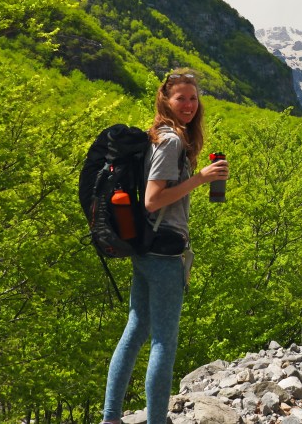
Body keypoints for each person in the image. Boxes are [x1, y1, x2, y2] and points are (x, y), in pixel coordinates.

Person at [101, 69, 229, 424]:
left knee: (136, 330)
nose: (188, 105)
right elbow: (153, 200)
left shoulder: (158, 135)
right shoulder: (171, 141)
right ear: (165, 99)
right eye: (181, 98)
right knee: (163, 343)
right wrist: (201, 179)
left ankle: (111, 417)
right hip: (164, 252)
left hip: (145, 247)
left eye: (193, 98)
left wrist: (198, 177)